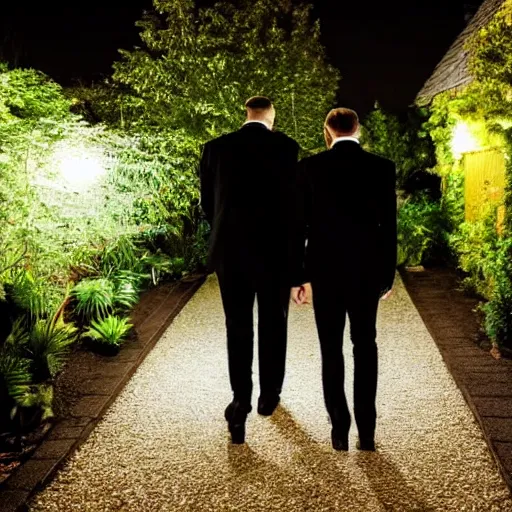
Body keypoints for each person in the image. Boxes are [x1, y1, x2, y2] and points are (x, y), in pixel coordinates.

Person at [291, 107, 397, 451]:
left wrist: (299, 277)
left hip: (326, 272)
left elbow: (299, 228)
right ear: (358, 128)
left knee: (331, 349)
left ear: (328, 130)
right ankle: (367, 431)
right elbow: (389, 228)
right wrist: (388, 275)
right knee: (365, 346)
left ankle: (339, 428)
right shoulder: (381, 168)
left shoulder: (309, 169)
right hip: (366, 272)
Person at [199, 96, 300, 444]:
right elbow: (293, 207)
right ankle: (269, 396)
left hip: (232, 252)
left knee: (237, 326)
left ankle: (240, 398)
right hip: (274, 254)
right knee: (274, 323)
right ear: (271, 117)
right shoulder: (287, 148)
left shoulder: (215, 149)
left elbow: (207, 204)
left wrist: (227, 231)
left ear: (246, 114)